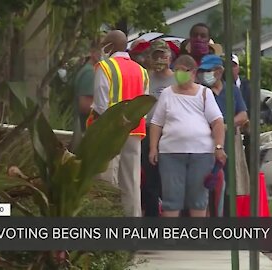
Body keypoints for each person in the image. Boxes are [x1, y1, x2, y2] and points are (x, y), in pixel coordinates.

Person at [149, 55, 226, 218]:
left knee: (198, 198)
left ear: (193, 73)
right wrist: (152, 148)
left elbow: (217, 122)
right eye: (176, 70)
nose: (179, 74)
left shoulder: (205, 94)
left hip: (201, 154)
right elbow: (156, 122)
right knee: (171, 198)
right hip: (170, 153)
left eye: (183, 71)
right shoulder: (167, 94)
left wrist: (219, 147)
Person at [88, 30, 149, 217]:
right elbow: (145, 102)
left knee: (107, 179)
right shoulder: (142, 71)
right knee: (131, 181)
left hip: (109, 131)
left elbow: (100, 105)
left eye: (104, 44)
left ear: (110, 46)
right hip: (134, 131)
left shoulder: (105, 67)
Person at [197, 54, 249, 216]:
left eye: (209, 70)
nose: (206, 74)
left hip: (229, 144)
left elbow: (243, 115)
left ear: (219, 71)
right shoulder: (200, 91)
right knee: (204, 185)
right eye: (203, 71)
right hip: (205, 143)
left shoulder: (232, 90)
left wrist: (225, 126)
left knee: (228, 186)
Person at [141, 39, 175, 217]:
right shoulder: (145, 77)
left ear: (170, 57)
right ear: (150, 58)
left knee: (170, 178)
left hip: (171, 132)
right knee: (150, 179)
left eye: (163, 55)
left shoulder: (179, 78)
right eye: (156, 56)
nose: (160, 59)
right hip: (147, 132)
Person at [73, 42, 101, 133]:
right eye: (101, 51)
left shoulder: (89, 70)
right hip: (86, 129)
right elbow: (85, 106)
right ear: (93, 53)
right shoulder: (90, 73)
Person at [232, 54, 253, 167]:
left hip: (247, 130)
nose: (231, 69)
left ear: (238, 68)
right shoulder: (224, 87)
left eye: (233, 66)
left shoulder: (248, 85)